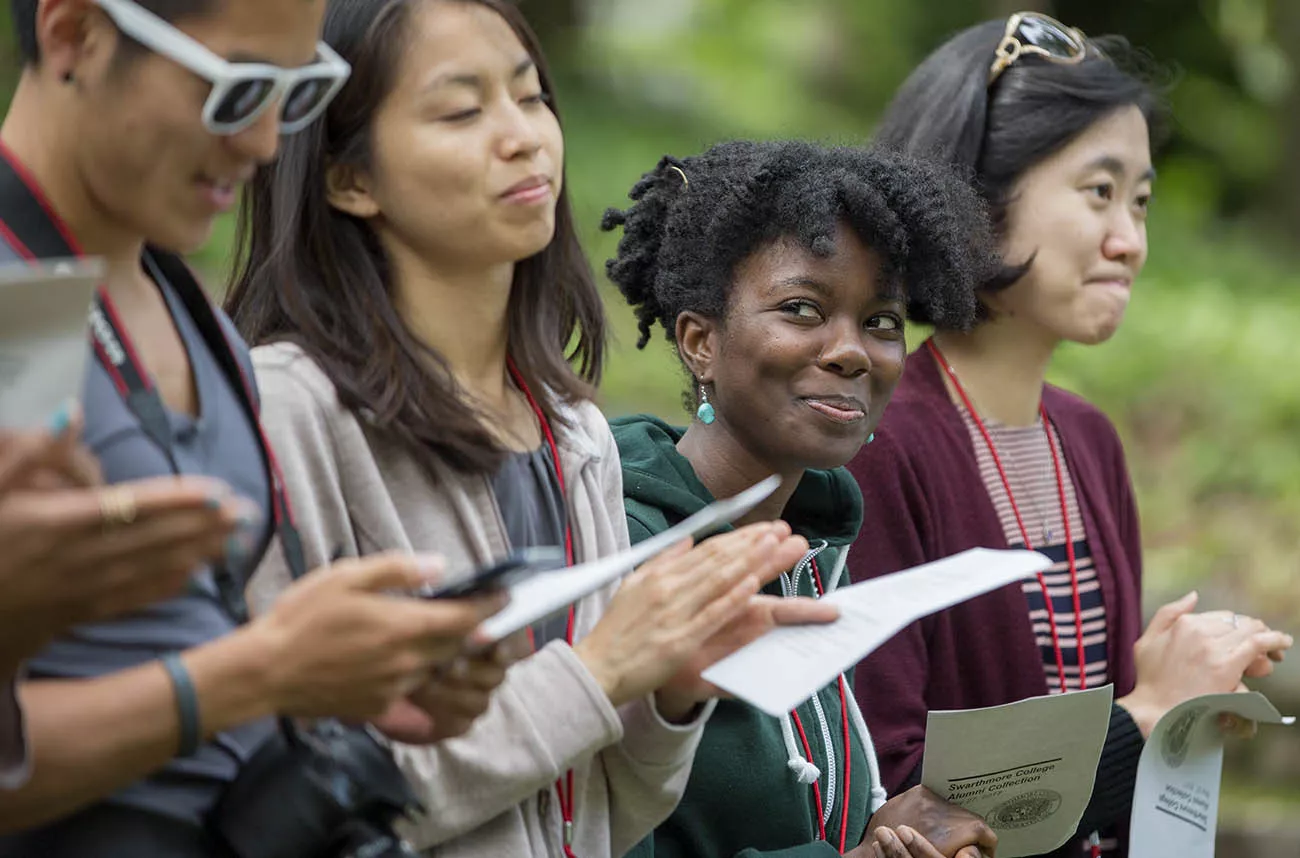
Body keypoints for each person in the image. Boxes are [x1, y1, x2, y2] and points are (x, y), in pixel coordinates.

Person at [225, 1, 827, 855]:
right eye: (462, 110)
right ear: (347, 178)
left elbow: (607, 815)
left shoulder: (572, 427)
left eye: (530, 95)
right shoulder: (287, 411)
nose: (521, 136)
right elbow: (298, 801)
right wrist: (597, 672)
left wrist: (669, 692)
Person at [0, 0, 512, 852]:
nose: (267, 144)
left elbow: (153, 650)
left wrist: (343, 671)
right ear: (75, 35)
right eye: (236, 92)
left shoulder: (196, 316)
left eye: (298, 91)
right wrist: (257, 671)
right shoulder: (19, 304)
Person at [847, 13, 1294, 857]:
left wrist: (1183, 708)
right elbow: (897, 793)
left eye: (1142, 201)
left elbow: (1106, 753)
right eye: (1099, 192)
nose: (1131, 241)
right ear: (975, 198)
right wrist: (1147, 710)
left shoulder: (1087, 440)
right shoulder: (880, 447)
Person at [604, 140, 1006, 858]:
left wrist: (883, 836)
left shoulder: (815, 552)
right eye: (801, 308)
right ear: (700, 342)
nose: (853, 351)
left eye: (882, 322)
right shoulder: (624, 550)